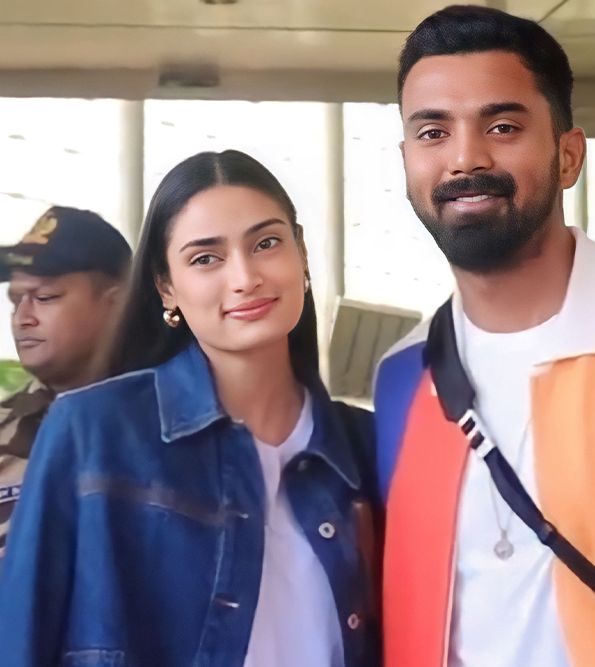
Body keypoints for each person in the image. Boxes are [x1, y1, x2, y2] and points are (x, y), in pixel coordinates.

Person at [374, 6, 595, 666]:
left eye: (502, 126)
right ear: (407, 161)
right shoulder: (400, 375)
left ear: (568, 155)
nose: (464, 157)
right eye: (432, 132)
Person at [0, 150, 379, 666]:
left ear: (302, 254)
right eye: (206, 258)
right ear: (166, 286)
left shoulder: (367, 448)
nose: (245, 277)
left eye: (266, 243)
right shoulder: (93, 432)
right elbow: (20, 642)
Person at [0, 206, 130, 559]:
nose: (22, 319)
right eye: (15, 301)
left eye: (44, 298)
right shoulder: (5, 426)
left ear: (117, 304)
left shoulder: (169, 423)